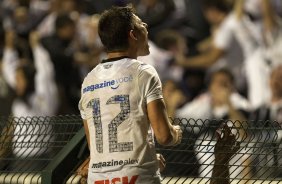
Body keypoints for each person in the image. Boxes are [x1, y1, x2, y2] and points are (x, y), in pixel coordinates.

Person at [78, 6, 182, 184]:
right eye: (141, 24)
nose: (146, 26)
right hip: (137, 177)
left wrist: (148, 157)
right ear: (133, 35)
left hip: (99, 178)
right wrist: (176, 133)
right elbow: (164, 136)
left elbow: (95, 146)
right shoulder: (144, 73)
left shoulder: (89, 80)